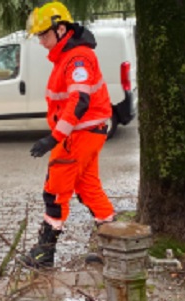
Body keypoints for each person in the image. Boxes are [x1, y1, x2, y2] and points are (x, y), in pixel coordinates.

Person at [22, 1, 116, 268]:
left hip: (79, 134)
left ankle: (44, 252)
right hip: (86, 132)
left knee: (55, 191)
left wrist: (53, 138)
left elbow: (79, 101)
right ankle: (113, 248)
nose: (41, 41)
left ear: (61, 29)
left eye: (43, 34)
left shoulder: (77, 58)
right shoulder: (69, 56)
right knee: (88, 189)